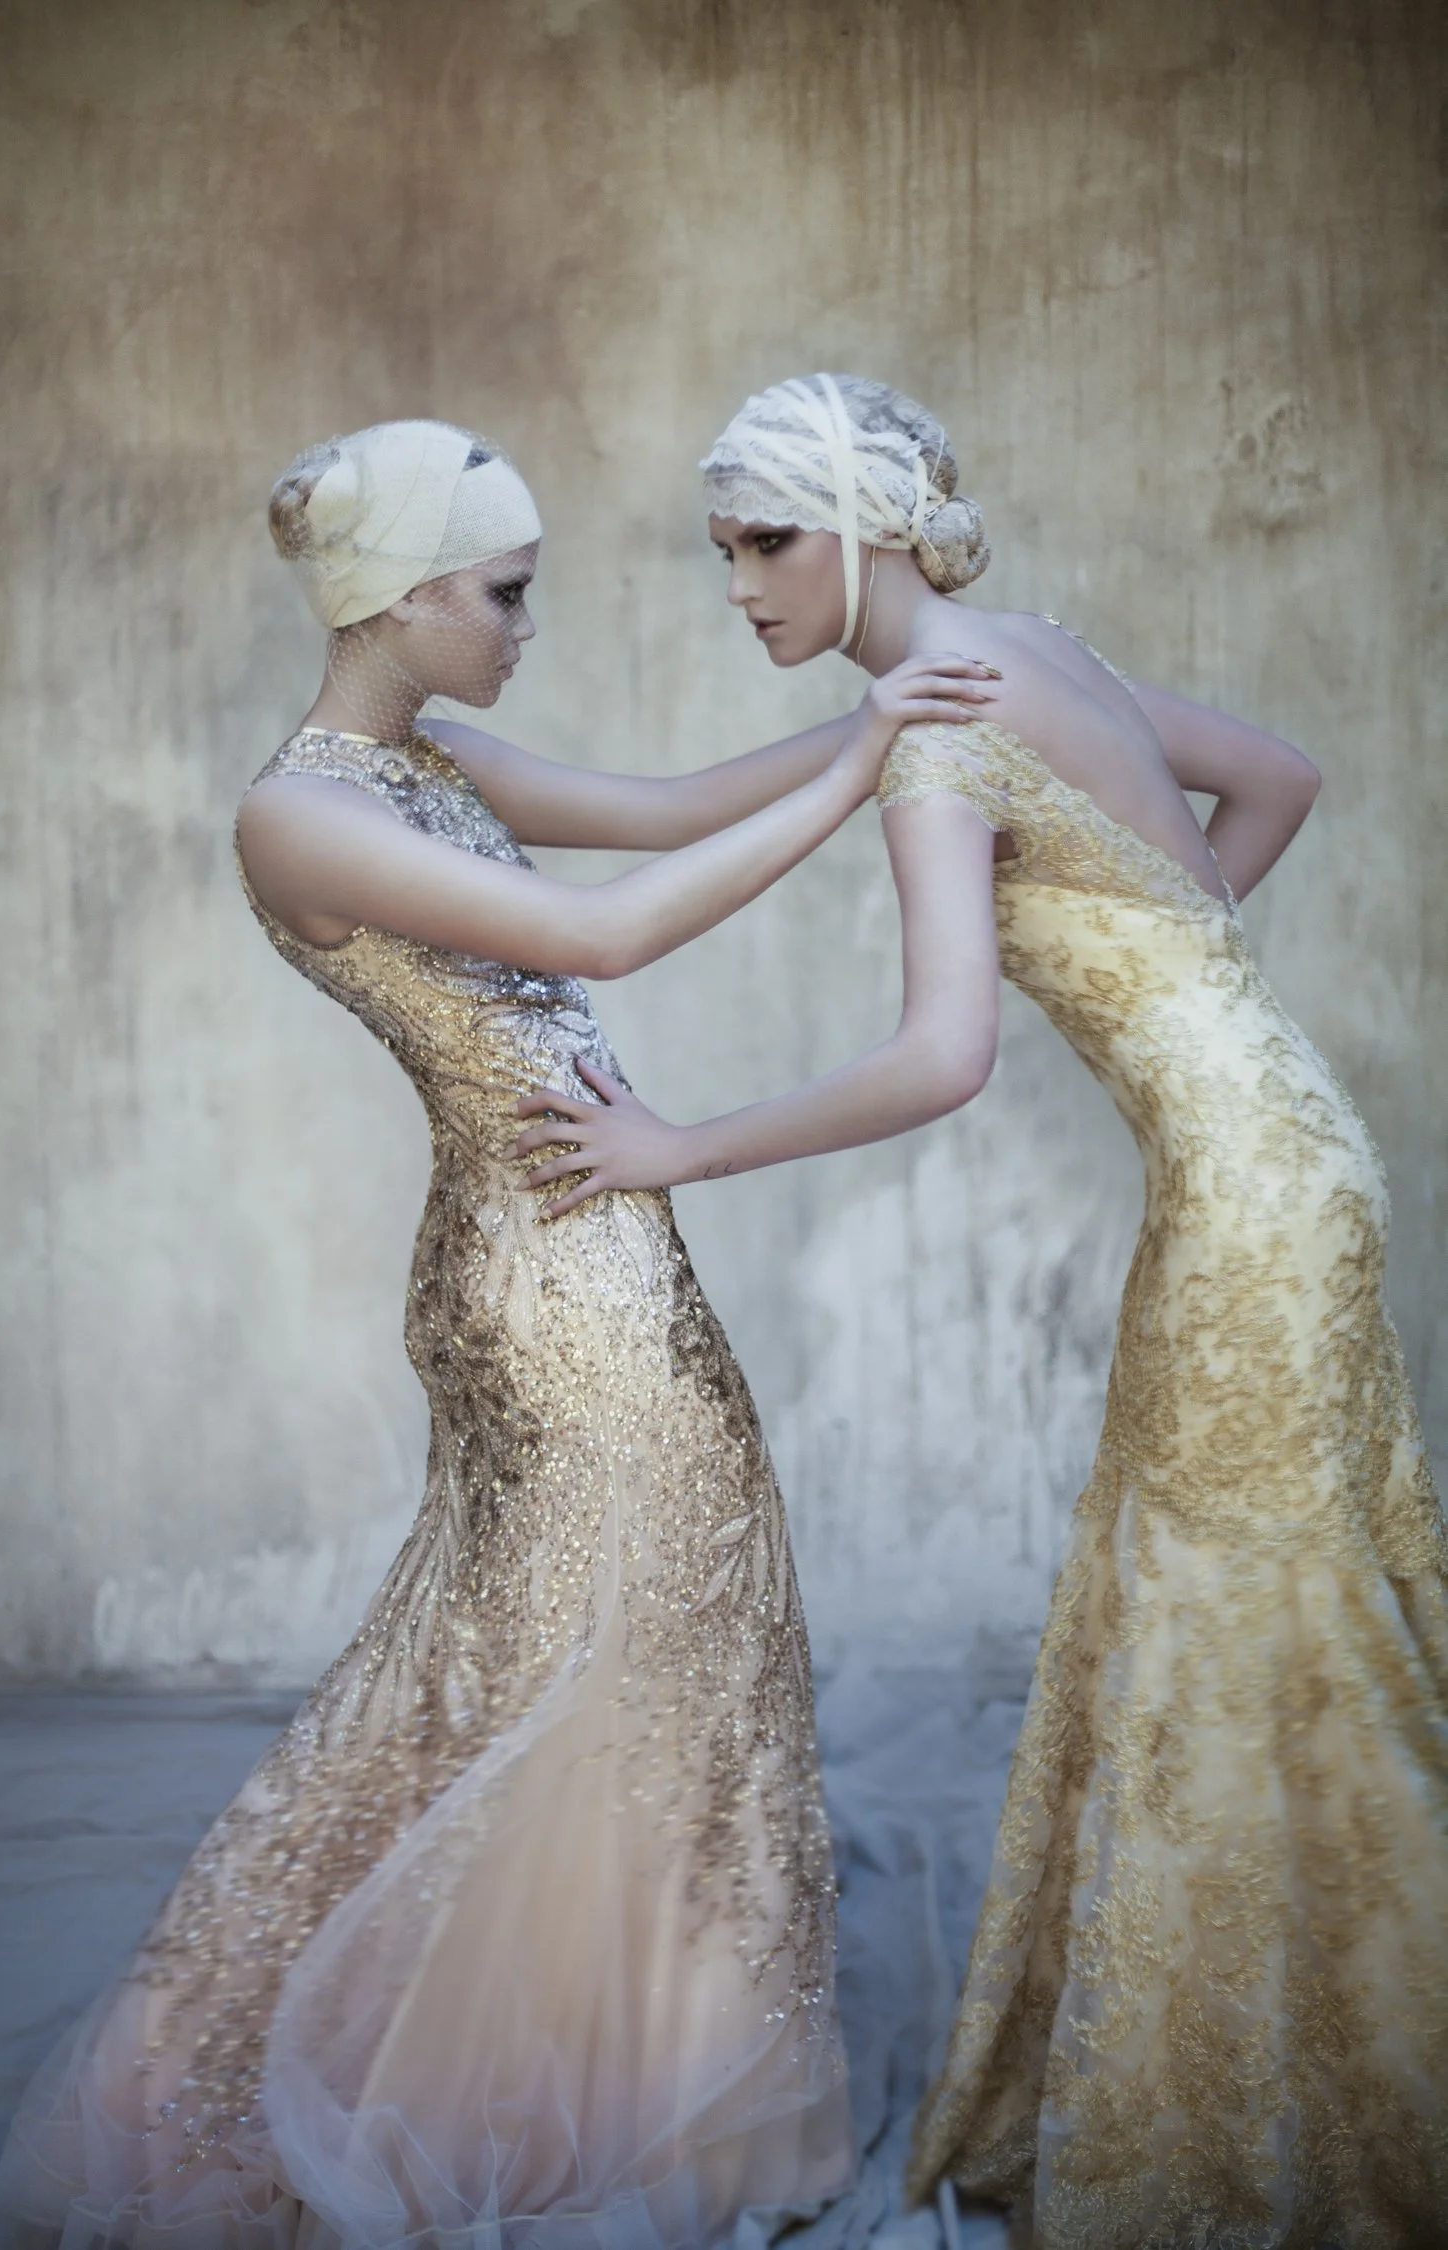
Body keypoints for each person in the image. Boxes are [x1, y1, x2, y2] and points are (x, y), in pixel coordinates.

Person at [0, 418, 995, 2250]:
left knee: (615, 1651)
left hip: (574, 1236)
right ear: (405, 597)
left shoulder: (424, 756)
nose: (530, 621)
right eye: (505, 593)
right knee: (613, 1651)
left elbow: (675, 808)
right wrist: (866, 760)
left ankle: (627, 2052)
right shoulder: (304, 810)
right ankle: (579, 2092)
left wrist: (893, 713)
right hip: (551, 1265)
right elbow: (599, 937)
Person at [513, 375, 1448, 2247]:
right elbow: (1279, 776)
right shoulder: (1029, 660)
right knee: (1250, 1589)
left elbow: (942, 1058)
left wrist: (675, 1145)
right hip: (1300, 1156)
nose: (739, 585)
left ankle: (1300, 2104)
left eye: (766, 541)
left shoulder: (940, 743)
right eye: (723, 549)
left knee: (1236, 1610)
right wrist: (1177, 983)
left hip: (1256, 1196)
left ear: (864, 530)